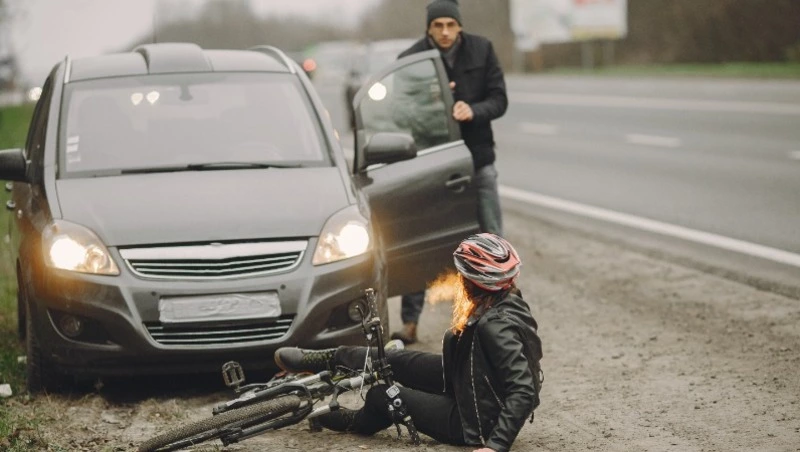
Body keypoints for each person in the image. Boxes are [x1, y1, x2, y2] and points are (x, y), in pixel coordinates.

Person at [274, 233, 542, 452]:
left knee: (382, 395)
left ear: (476, 281)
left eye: (462, 274)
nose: (459, 279)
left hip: (472, 420)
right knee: (391, 359)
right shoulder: (503, 300)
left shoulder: (496, 326)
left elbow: (524, 389)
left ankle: (354, 421)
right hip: (467, 381)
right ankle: (324, 358)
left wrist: (495, 445)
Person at [391, 0, 509, 345]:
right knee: (418, 239)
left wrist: (473, 110)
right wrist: (435, 108)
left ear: (460, 26)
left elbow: (499, 100)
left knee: (491, 238)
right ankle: (410, 322)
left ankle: (500, 313)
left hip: (476, 160)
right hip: (428, 164)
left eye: (450, 25)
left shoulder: (482, 50)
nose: (444, 32)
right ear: (428, 27)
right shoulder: (410, 60)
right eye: (438, 25)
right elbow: (400, 112)